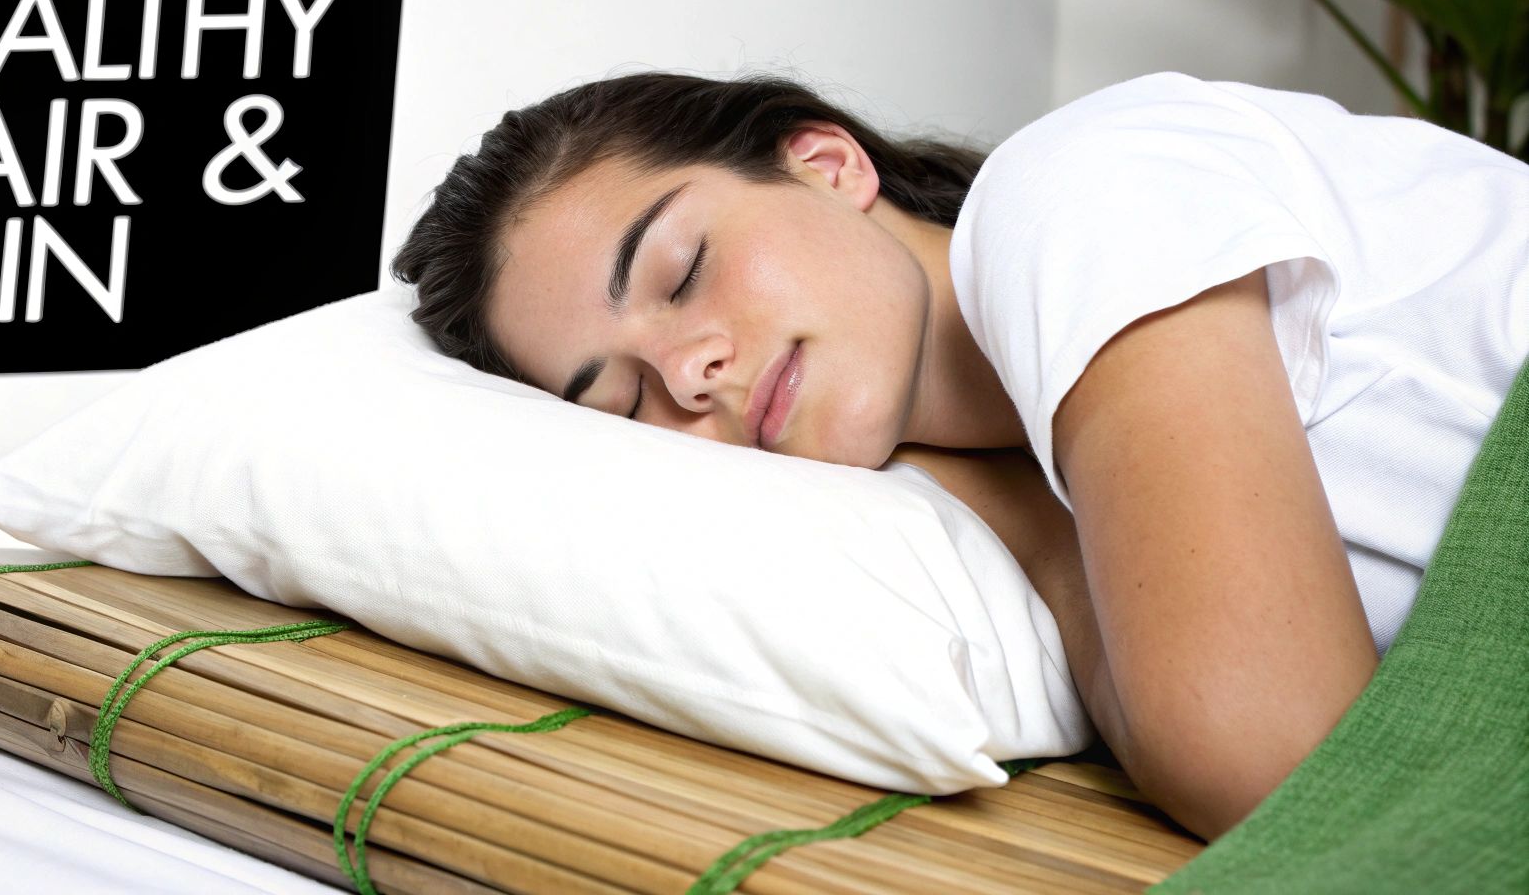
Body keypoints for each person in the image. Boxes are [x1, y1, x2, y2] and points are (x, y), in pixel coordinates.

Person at [387, 68, 1529, 842]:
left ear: (826, 166)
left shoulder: (1072, 190)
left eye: (681, 269)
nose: (688, 372)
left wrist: (1025, 519)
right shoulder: (1048, 460)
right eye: (624, 396)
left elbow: (1275, 761)